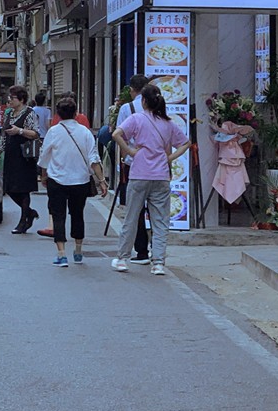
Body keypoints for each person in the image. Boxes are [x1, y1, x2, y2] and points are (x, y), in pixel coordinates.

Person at [111, 84, 191, 277]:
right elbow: (186, 143)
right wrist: (169, 158)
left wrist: (130, 151)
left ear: (144, 101)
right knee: (160, 221)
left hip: (139, 174)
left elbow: (116, 134)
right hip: (161, 176)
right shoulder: (169, 123)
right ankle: (158, 263)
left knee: (131, 217)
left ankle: (122, 259)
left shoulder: (137, 118)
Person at [36, 96, 107, 266]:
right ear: (75, 113)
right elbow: (94, 159)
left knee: (58, 216)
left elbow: (44, 157)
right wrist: (102, 180)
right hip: (80, 181)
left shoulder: (53, 131)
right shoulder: (85, 132)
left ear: (58, 114)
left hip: (57, 180)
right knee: (78, 214)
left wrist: (44, 175)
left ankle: (61, 254)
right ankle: (78, 250)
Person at [114, 74, 152, 264]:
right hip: (157, 165)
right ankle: (158, 251)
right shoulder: (158, 107)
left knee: (135, 208)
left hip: (133, 163)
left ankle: (141, 250)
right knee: (156, 209)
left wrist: (125, 156)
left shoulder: (126, 108)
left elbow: (119, 135)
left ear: (132, 89)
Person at [0, 85, 41, 234]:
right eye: (9, 97)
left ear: (22, 99)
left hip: (24, 156)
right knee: (9, 188)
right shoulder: (9, 113)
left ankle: (24, 221)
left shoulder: (30, 114)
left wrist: (19, 131)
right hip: (11, 155)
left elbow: (35, 133)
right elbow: (3, 135)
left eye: (13, 97)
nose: (9, 100)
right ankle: (30, 213)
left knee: (23, 190)